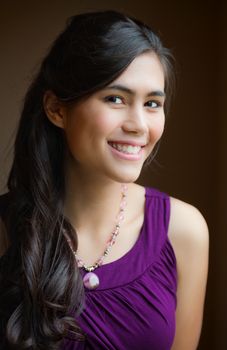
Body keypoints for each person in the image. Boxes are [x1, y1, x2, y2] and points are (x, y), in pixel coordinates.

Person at [0, 10, 209, 350]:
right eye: (115, 99)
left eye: (153, 103)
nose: (139, 125)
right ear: (56, 109)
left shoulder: (184, 231)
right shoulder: (6, 228)